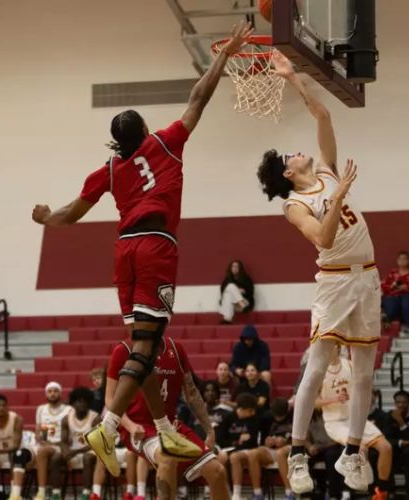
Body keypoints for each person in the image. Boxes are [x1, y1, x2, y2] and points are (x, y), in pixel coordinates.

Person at [30, 22, 254, 475]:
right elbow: (199, 98)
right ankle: (108, 425)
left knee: (142, 348)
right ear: (145, 129)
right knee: (147, 348)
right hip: (155, 247)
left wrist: (46, 217)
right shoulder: (164, 143)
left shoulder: (110, 170)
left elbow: (70, 214)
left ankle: (163, 426)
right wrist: (225, 55)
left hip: (124, 251)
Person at [256, 50, 380, 494]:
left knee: (364, 371)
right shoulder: (295, 205)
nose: (298, 151)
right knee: (319, 364)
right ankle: (296, 455)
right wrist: (340, 196)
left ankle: (352, 453)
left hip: (367, 278)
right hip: (334, 282)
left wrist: (293, 77)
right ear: (288, 173)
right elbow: (324, 240)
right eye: (290, 155)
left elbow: (323, 115)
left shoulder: (326, 170)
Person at [106, 335, 230, 500]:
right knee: (167, 458)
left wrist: (209, 430)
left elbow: (192, 392)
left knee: (217, 471)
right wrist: (130, 425)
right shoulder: (124, 349)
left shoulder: (176, 349)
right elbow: (110, 399)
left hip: (169, 425)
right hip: (139, 425)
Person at [316, 346, 391, 499]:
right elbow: (313, 403)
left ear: (338, 348)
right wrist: (334, 399)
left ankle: (381, 491)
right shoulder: (319, 371)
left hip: (355, 417)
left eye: (333, 345)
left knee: (386, 448)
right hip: (335, 422)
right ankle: (353, 472)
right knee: (360, 448)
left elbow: (363, 386)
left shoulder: (349, 365)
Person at [215, 393, 260, 500]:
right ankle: (224, 491)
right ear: (241, 409)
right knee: (221, 457)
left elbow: (253, 441)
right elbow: (220, 439)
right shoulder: (228, 418)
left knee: (234, 457)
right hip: (231, 448)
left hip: (247, 450)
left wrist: (240, 443)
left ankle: (236, 494)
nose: (252, 413)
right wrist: (237, 441)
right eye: (250, 410)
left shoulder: (254, 418)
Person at [247, 398, 295, 500]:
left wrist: (286, 441)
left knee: (280, 453)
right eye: (276, 416)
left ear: (287, 411)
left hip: (291, 447)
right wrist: (266, 442)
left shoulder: (294, 416)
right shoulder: (266, 417)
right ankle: (257, 493)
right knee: (252, 453)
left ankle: (289, 492)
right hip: (272, 450)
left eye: (281, 416)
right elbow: (261, 439)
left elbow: (303, 438)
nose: (278, 419)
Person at [32, 382, 72, 500]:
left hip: (61, 445)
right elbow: (37, 431)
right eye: (50, 391)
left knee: (43, 451)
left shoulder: (68, 410)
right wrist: (39, 438)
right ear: (46, 394)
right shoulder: (41, 409)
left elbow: (70, 435)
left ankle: (41, 492)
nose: (52, 394)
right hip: (43, 444)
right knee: (24, 454)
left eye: (55, 391)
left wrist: (52, 444)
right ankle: (16, 491)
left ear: (60, 393)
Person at [60, 387, 99, 500]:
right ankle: (55, 493)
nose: (82, 404)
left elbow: (96, 443)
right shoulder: (66, 419)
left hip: (92, 451)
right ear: (73, 403)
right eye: (78, 401)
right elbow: (63, 441)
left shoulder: (95, 418)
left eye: (84, 401)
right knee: (56, 457)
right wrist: (65, 451)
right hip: (73, 451)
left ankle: (86, 493)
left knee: (87, 457)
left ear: (89, 403)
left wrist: (75, 452)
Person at [384, 390, 409, 500]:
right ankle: (390, 491)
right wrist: (407, 442)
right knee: (387, 452)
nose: (400, 405)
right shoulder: (388, 416)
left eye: (404, 402)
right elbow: (387, 438)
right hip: (396, 450)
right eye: (398, 402)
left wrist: (401, 422)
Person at [380, 251, 409, 332]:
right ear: (397, 260)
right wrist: (392, 286)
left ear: (408, 261)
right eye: (400, 259)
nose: (402, 261)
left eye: (404, 259)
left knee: (406, 302)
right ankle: (387, 323)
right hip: (394, 296)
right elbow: (383, 286)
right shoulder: (392, 273)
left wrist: (407, 287)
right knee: (391, 304)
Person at [219, 260, 254, 324]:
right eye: (233, 266)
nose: (234, 268)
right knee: (229, 291)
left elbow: (250, 293)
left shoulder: (246, 279)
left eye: (236, 267)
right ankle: (228, 319)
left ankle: (227, 319)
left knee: (230, 286)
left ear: (240, 268)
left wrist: (243, 292)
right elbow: (223, 294)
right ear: (230, 268)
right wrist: (237, 290)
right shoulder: (227, 280)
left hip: (245, 303)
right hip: (234, 306)